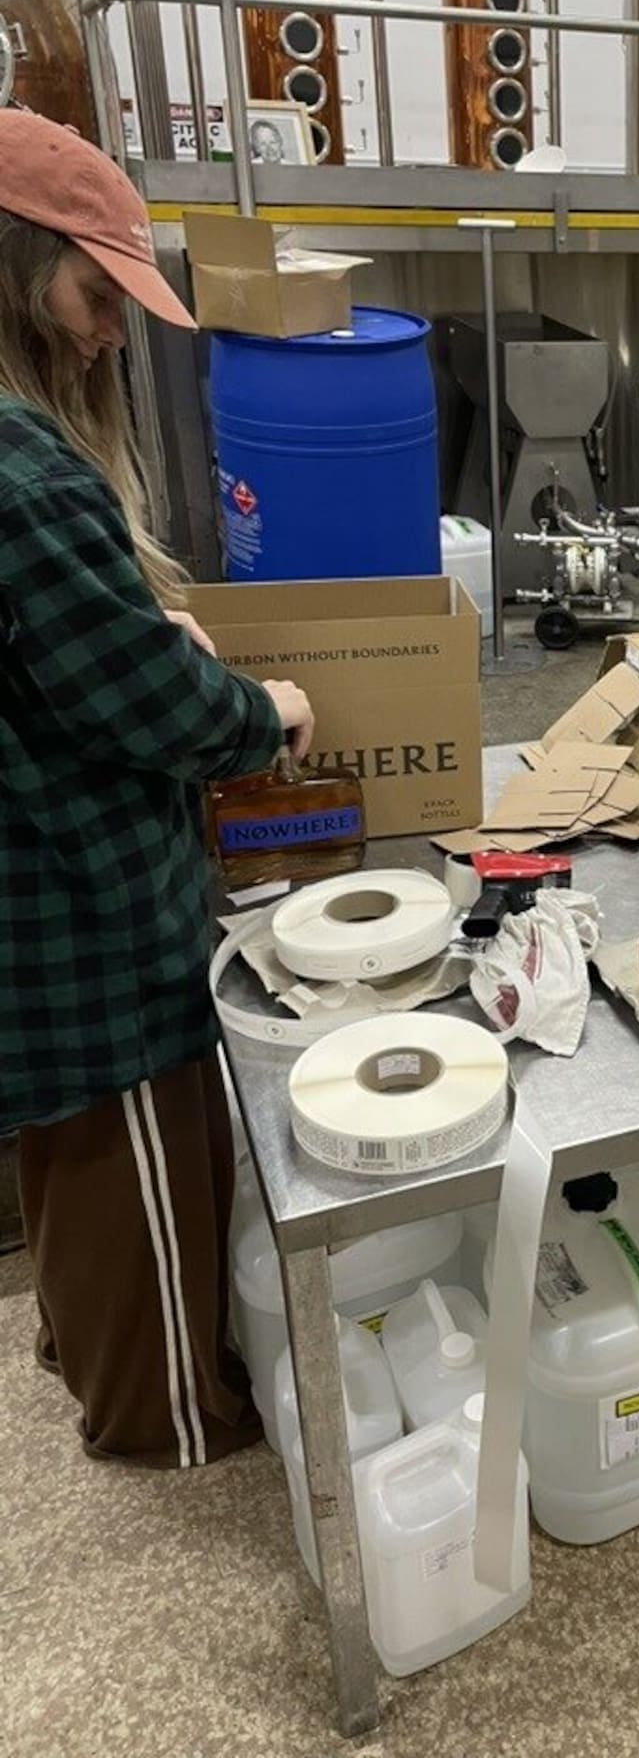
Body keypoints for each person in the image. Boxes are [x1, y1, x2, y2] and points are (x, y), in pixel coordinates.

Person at [0, 108, 314, 1468]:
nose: (110, 334)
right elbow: (147, 708)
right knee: (131, 1151)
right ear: (20, 271)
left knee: (76, 1154)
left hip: (35, 893)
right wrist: (261, 715)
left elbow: (60, 649)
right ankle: (166, 1414)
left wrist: (136, 624)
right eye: (94, 296)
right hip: (77, 909)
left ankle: (83, 1336)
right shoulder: (21, 473)